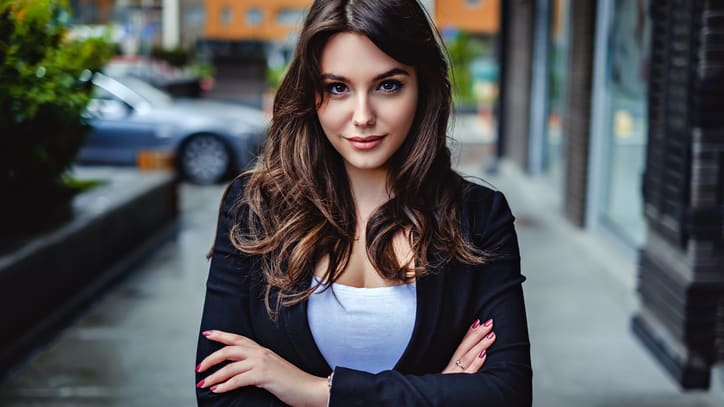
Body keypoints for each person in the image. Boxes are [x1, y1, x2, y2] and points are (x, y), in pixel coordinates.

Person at [195, 0, 532, 405]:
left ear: (423, 86)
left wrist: (316, 392)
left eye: (388, 85)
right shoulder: (256, 207)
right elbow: (220, 395)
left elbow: (506, 394)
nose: (362, 116)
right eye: (337, 88)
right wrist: (436, 392)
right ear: (311, 93)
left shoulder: (478, 217)